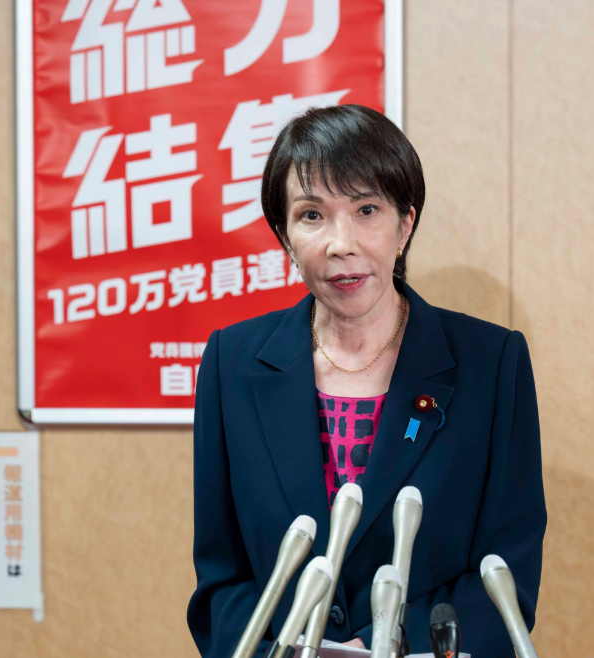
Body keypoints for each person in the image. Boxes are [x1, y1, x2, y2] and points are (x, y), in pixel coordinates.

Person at [187, 105, 546, 657]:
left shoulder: (491, 363)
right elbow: (221, 580)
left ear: (405, 224)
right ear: (284, 235)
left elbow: (507, 572)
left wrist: (386, 646)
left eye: (366, 210)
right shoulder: (231, 364)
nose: (341, 243)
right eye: (312, 215)